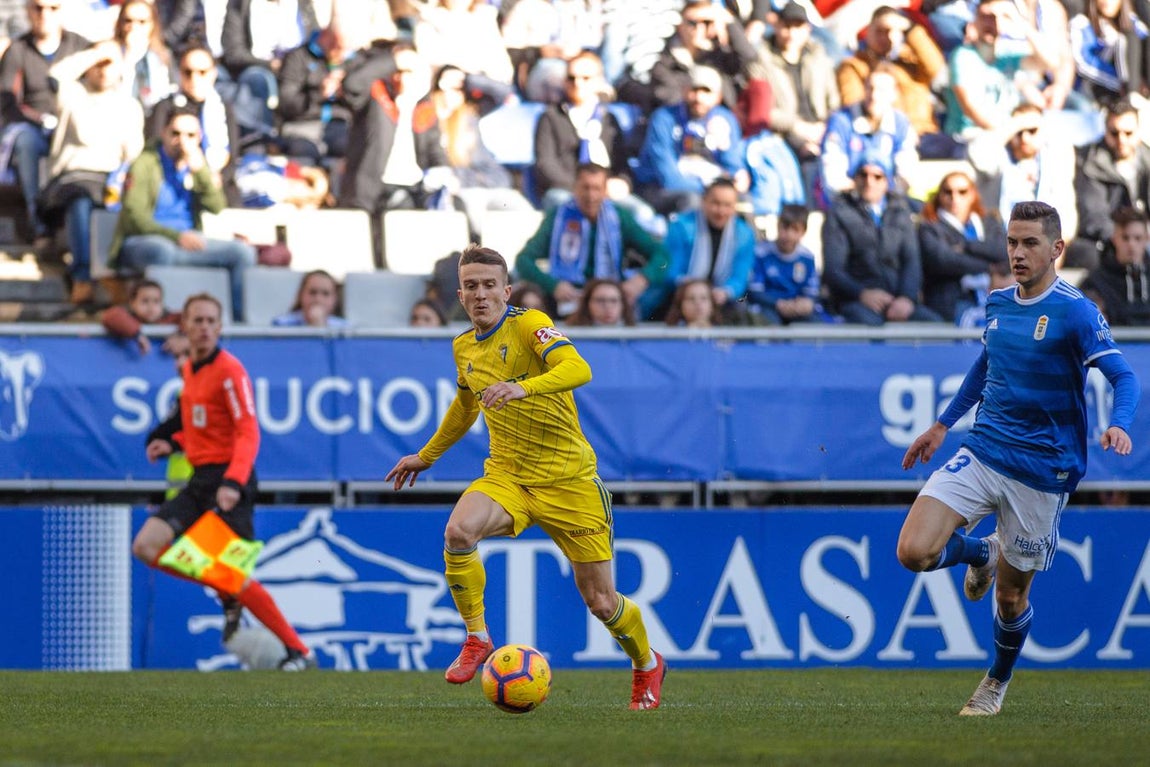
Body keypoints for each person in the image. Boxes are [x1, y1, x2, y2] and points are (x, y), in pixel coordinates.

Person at [385, 244, 667, 710]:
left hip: (570, 481)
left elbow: (579, 367)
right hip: (509, 476)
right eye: (471, 286)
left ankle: (645, 663)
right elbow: (464, 407)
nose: (481, 294)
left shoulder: (530, 324)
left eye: (489, 285)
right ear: (460, 293)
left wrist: (522, 387)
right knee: (458, 531)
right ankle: (477, 637)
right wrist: (426, 455)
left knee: (600, 601)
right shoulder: (462, 347)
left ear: (506, 289)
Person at [897, 200, 1140, 716]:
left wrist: (1119, 423)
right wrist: (943, 423)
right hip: (985, 450)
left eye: (1030, 243)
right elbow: (986, 364)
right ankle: (979, 553)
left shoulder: (1076, 311)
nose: (1018, 253)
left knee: (1010, 600)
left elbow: (1123, 375)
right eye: (1011, 241)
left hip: (1042, 473)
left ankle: (995, 684)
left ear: (1056, 249)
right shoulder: (999, 303)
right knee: (913, 551)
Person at [132, 292, 316, 670]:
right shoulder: (191, 372)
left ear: (219, 327)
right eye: (196, 320)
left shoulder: (230, 371)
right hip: (200, 480)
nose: (202, 328)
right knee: (146, 546)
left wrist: (232, 482)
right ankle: (224, 590)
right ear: (184, 326)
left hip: (230, 481)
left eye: (209, 321)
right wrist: (171, 442)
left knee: (236, 577)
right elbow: (200, 427)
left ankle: (299, 650)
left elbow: (247, 431)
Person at [110, 105, 257, 322]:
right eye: (175, 133)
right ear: (164, 133)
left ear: (199, 137)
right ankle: (169, 317)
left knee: (243, 254)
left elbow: (217, 206)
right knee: (163, 252)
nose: (182, 140)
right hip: (145, 242)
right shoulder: (145, 163)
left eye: (190, 135)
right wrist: (177, 237)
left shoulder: (196, 164)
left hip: (188, 239)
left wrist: (202, 173)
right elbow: (135, 217)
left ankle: (236, 323)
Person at [38, 40, 144, 304]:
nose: (103, 69)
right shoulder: (73, 94)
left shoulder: (129, 106)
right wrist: (96, 53)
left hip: (110, 180)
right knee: (81, 200)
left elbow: (133, 151)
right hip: (71, 179)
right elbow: (55, 75)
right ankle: (83, 277)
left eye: (109, 64)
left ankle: (110, 279)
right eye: (98, 64)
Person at [514, 162, 670, 320]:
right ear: (575, 188)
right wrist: (553, 286)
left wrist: (641, 279)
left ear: (605, 191)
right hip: (567, 299)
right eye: (585, 187)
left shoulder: (619, 217)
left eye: (597, 188)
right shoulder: (558, 217)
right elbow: (524, 260)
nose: (591, 195)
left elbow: (661, 255)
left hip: (609, 301)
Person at [0, 1, 91, 245]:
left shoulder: (79, 46)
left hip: (74, 127)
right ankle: (38, 221)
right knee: (26, 141)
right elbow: (8, 101)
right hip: (34, 126)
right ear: (28, 10)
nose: (45, 15)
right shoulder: (18, 49)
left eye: (53, 8)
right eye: (38, 8)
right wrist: (40, 120)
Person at [821, 153, 941, 326]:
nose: (869, 182)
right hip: (854, 300)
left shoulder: (901, 211)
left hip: (896, 299)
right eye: (863, 175)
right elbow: (834, 269)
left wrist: (906, 298)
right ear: (855, 178)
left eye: (877, 176)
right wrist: (862, 294)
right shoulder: (839, 213)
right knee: (870, 327)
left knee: (935, 326)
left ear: (887, 181)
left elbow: (911, 260)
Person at [631, 64, 747, 216]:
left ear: (718, 97)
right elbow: (668, 177)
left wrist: (724, 145)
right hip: (658, 188)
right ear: (684, 91)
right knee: (693, 202)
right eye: (694, 90)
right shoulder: (664, 118)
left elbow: (735, 174)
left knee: (744, 203)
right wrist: (712, 191)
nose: (699, 98)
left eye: (706, 92)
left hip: (708, 190)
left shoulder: (725, 119)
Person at [655, 178, 756, 322]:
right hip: (682, 293)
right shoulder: (681, 226)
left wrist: (726, 292)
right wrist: (689, 286)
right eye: (716, 203)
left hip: (722, 299)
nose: (721, 211)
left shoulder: (745, 234)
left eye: (727, 205)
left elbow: (740, 276)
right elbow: (670, 267)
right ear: (704, 202)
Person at [1067, 100, 1150, 270]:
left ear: (1138, 132)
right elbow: (1093, 217)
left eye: (1128, 133)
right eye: (1114, 133)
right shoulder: (1089, 161)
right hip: (1107, 243)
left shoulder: (1147, 162)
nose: (1121, 140)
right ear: (1105, 131)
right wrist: (1125, 239)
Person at [918, 170, 1009, 322]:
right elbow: (945, 260)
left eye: (962, 192)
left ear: (972, 194)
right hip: (952, 302)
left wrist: (967, 246)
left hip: (995, 296)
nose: (955, 198)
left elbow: (1005, 251)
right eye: (948, 192)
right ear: (940, 195)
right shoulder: (929, 227)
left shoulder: (989, 221)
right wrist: (991, 267)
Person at [746, 204, 824, 325]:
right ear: (777, 226)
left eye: (795, 229)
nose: (788, 235)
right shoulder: (761, 253)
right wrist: (779, 303)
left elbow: (812, 292)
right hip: (768, 306)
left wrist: (806, 303)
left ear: (803, 232)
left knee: (815, 324)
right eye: (784, 228)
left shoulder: (807, 258)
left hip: (796, 309)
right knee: (767, 323)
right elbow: (755, 291)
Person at [1080, 206, 1150, 326]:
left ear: (1146, 239)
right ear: (1114, 239)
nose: (1131, 245)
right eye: (1125, 238)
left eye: (1137, 238)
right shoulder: (1095, 282)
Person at [100, 277, 184, 355]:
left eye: (156, 301)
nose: (151, 307)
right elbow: (110, 315)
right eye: (145, 301)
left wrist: (181, 336)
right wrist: (138, 335)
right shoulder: (128, 318)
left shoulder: (171, 319)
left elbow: (190, 318)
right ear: (132, 303)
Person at [272, 269, 349, 328]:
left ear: (335, 299)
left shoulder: (344, 329)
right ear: (300, 295)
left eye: (325, 294)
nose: (318, 299)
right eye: (313, 292)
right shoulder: (281, 325)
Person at [565, 278, 636, 327]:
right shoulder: (569, 337)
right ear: (587, 303)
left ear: (623, 304)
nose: (608, 306)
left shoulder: (637, 336)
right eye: (600, 300)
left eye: (614, 301)